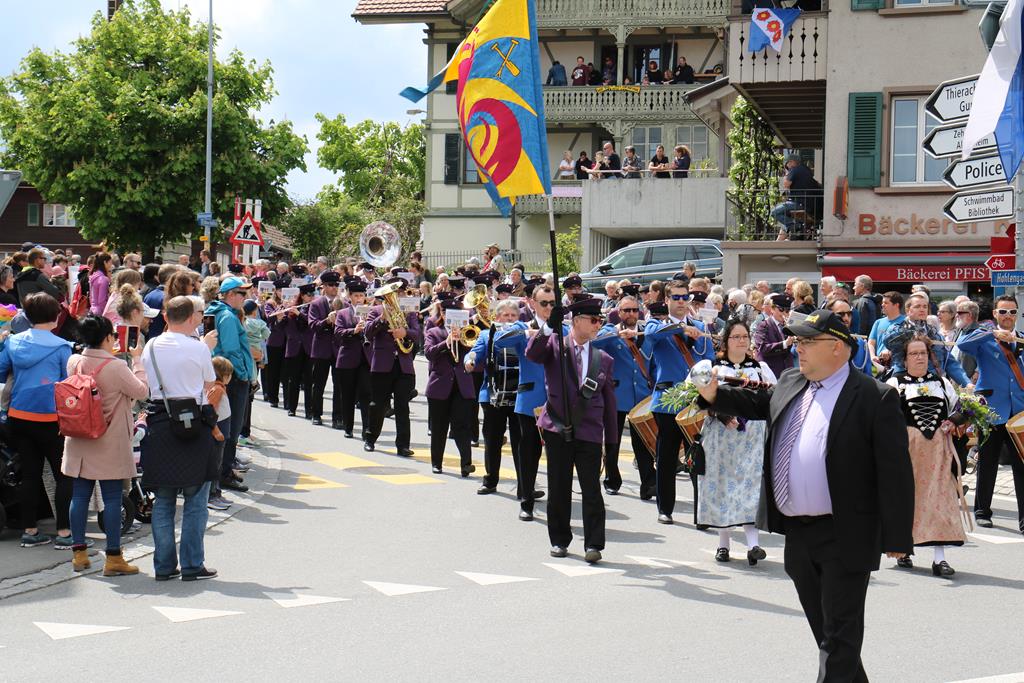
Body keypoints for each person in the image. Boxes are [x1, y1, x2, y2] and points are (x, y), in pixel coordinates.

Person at [695, 309, 914, 682]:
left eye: (809, 342)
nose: (800, 349)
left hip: (846, 532)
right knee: (829, 634)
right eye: (798, 341)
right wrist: (715, 395)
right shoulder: (791, 381)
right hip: (798, 533)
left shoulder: (874, 398)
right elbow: (759, 404)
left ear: (838, 348)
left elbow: (895, 472)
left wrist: (897, 537)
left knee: (839, 637)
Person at [526, 296, 616, 563]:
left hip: (589, 430)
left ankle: (594, 544)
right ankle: (559, 540)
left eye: (600, 320)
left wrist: (611, 443)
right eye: (594, 320)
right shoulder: (555, 346)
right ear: (577, 321)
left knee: (591, 489)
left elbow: (609, 403)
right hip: (557, 427)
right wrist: (547, 328)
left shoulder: (604, 358)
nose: (599, 324)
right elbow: (533, 354)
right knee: (559, 487)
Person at [140, 296, 220, 581]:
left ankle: (163, 566)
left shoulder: (151, 345)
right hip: (193, 423)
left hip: (161, 421)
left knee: (163, 500)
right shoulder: (198, 348)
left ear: (165, 316)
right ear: (190, 318)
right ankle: (192, 564)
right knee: (196, 500)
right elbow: (209, 383)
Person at [62, 314, 149, 574]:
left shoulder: (74, 361)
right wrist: (137, 360)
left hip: (80, 436)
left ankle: (79, 555)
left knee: (79, 495)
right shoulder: (115, 366)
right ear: (109, 337)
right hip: (109, 439)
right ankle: (113, 558)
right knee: (112, 498)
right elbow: (142, 392)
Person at [688, 319, 777, 564]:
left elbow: (772, 398)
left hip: (751, 437)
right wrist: (723, 415)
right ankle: (723, 544)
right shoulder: (711, 367)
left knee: (750, 487)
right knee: (722, 485)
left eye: (745, 336)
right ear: (726, 341)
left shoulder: (760, 369)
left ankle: (753, 544)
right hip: (721, 436)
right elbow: (695, 399)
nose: (742, 340)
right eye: (736, 336)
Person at [887, 336, 969, 577]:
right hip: (908, 449)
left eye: (923, 352)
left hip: (939, 450)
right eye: (914, 354)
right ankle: (903, 550)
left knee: (940, 500)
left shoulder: (942, 382)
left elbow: (963, 408)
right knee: (907, 498)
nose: (920, 357)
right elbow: (884, 416)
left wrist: (954, 421)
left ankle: (939, 558)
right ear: (905, 358)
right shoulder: (896, 383)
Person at [0, 293, 75, 547]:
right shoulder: (62, 346)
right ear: (55, 316)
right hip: (51, 418)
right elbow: (68, 384)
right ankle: (65, 532)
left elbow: (1, 371)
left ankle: (30, 531)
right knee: (62, 475)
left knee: (30, 475)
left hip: (18, 415)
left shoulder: (12, 343)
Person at [643, 277, 715, 524]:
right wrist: (681, 329)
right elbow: (651, 335)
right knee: (667, 456)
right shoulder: (657, 324)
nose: (682, 302)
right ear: (666, 300)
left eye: (686, 297)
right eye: (676, 297)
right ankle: (665, 508)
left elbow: (710, 361)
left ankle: (702, 512)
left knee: (699, 457)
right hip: (667, 401)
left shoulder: (700, 326)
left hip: (696, 401)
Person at [956, 295, 1024, 534]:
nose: (1008, 317)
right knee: (988, 462)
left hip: (1019, 413)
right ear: (995, 314)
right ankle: (983, 511)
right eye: (1003, 312)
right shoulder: (984, 338)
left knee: (1021, 466)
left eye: (1012, 312)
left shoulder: (1021, 340)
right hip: (992, 409)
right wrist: (991, 333)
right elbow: (963, 344)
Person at [494, 283, 559, 520]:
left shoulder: (561, 327)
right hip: (530, 399)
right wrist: (526, 333)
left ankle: (558, 501)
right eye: (544, 303)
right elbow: (500, 340)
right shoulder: (525, 326)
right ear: (532, 304)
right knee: (528, 453)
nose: (548, 308)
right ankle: (526, 499)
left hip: (557, 401)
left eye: (552, 303)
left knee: (558, 455)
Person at [593, 295, 655, 498]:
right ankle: (612, 479)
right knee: (613, 441)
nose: (631, 314)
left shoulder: (644, 333)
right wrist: (618, 334)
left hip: (641, 395)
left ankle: (648, 483)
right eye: (626, 310)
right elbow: (596, 343)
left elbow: (652, 364)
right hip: (617, 394)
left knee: (643, 442)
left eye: (634, 310)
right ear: (619, 313)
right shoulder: (611, 331)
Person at [205, 276, 256, 494]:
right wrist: (244, 374)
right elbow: (232, 349)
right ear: (230, 295)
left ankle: (224, 471)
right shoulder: (226, 315)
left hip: (229, 374)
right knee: (232, 427)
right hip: (233, 376)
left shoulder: (224, 313)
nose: (245, 297)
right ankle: (224, 473)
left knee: (230, 425)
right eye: (242, 293)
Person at [467, 299, 522, 494]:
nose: (509, 319)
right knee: (492, 439)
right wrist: (470, 360)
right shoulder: (486, 334)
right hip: (493, 395)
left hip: (519, 395)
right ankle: (490, 480)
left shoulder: (524, 334)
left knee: (521, 441)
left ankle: (524, 485)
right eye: (505, 315)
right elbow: (474, 354)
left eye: (513, 315)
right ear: (497, 317)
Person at [364, 278, 421, 456]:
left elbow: (418, 334)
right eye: (395, 292)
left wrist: (406, 332)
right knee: (377, 404)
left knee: (402, 406)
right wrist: (381, 319)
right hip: (382, 365)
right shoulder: (375, 311)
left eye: (401, 292)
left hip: (404, 365)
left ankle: (403, 445)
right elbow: (367, 333)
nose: (398, 295)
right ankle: (370, 438)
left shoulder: (410, 312)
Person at [423, 299, 477, 476]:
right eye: (450, 313)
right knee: (439, 427)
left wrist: (463, 338)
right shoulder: (434, 332)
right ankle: (436, 463)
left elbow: (475, 350)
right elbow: (429, 353)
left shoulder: (468, 333)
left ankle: (466, 464)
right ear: (444, 314)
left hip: (462, 386)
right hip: (440, 385)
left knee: (462, 426)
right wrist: (446, 342)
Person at [333, 279, 373, 437]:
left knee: (366, 394)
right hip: (348, 359)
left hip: (366, 359)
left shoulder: (370, 312)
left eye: (361, 295)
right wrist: (353, 331)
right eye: (356, 295)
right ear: (350, 297)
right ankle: (348, 427)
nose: (359, 298)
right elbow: (338, 333)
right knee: (348, 395)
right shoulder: (343, 313)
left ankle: (366, 429)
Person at [307, 271, 341, 426]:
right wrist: (327, 321)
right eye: (331, 285)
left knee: (339, 384)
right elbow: (313, 325)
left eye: (336, 285)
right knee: (318, 383)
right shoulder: (316, 303)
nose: (334, 288)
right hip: (321, 348)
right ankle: (316, 414)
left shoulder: (343, 303)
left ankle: (338, 417)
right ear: (324, 287)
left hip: (338, 349)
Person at [772, 153, 819, 240]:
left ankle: (796, 226)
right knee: (786, 220)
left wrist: (787, 175)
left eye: (787, 165)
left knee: (775, 212)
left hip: (799, 203)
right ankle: (782, 239)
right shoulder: (807, 171)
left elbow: (786, 184)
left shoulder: (796, 170)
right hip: (811, 205)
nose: (788, 167)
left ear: (792, 162)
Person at [754, 293, 795, 378]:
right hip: (770, 372)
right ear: (772, 309)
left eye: (787, 311)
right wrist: (784, 344)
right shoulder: (764, 325)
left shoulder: (788, 326)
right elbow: (763, 349)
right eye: (781, 309)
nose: (784, 313)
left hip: (787, 372)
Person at [827, 298, 872, 375]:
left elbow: (868, 373)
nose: (846, 318)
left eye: (849, 314)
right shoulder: (822, 342)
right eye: (841, 314)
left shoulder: (861, 343)